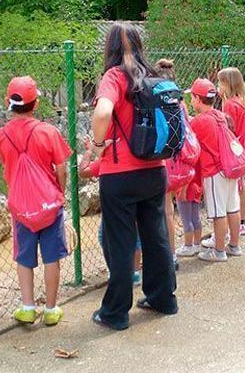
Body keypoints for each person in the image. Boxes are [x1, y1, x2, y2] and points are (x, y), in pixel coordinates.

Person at [90, 23, 177, 331]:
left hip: (120, 174)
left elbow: (102, 114)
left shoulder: (114, 76)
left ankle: (115, 312)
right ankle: (162, 298)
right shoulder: (153, 75)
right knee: (156, 236)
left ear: (109, 48)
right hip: (155, 170)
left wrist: (99, 146)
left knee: (121, 243)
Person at [0, 76, 71, 326]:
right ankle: (51, 309)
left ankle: (27, 307)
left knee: (24, 257)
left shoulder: (2, 135)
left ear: (8, 101)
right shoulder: (49, 132)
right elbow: (62, 168)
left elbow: (7, 166)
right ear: (35, 103)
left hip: (21, 206)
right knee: (52, 257)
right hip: (49, 204)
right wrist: (58, 193)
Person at [187, 78, 242, 262]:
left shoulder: (199, 122)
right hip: (229, 168)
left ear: (197, 98)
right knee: (232, 208)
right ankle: (234, 245)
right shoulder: (219, 115)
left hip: (214, 172)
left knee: (218, 213)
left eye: (192, 98)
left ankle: (219, 251)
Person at [78, 137, 142, 285]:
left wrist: (89, 152)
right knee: (134, 233)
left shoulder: (107, 159)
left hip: (113, 202)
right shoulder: (132, 152)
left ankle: (119, 271)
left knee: (105, 235)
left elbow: (83, 171)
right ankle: (134, 273)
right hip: (136, 193)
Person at [217, 67, 245, 235]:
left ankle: (236, 224)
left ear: (228, 83)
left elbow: (226, 127)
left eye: (220, 82)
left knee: (237, 188)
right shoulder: (243, 100)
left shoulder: (230, 105)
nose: (218, 85)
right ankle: (241, 221)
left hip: (235, 149)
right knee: (242, 186)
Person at [154, 58, 183, 270]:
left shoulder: (152, 99)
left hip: (155, 160)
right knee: (168, 212)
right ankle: (172, 255)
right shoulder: (179, 101)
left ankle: (156, 257)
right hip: (173, 159)